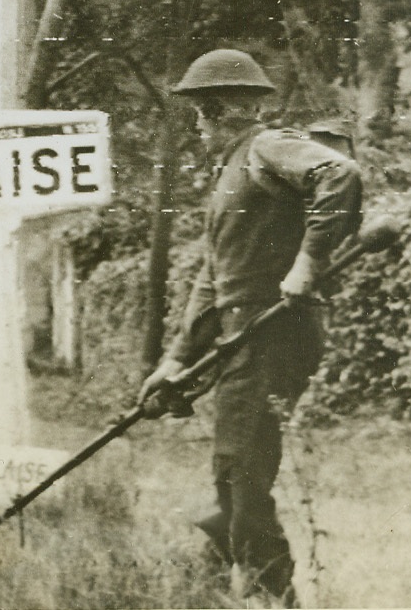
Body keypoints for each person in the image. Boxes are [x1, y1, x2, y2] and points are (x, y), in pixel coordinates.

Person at [139, 49, 362, 607]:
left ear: (221, 111)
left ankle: (271, 596)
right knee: (233, 466)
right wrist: (176, 360)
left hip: (275, 332)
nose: (197, 125)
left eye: (200, 113)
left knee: (243, 472)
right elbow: (214, 280)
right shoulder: (233, 171)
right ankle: (213, 580)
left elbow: (340, 174)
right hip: (245, 334)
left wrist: (307, 266)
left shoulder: (265, 148)